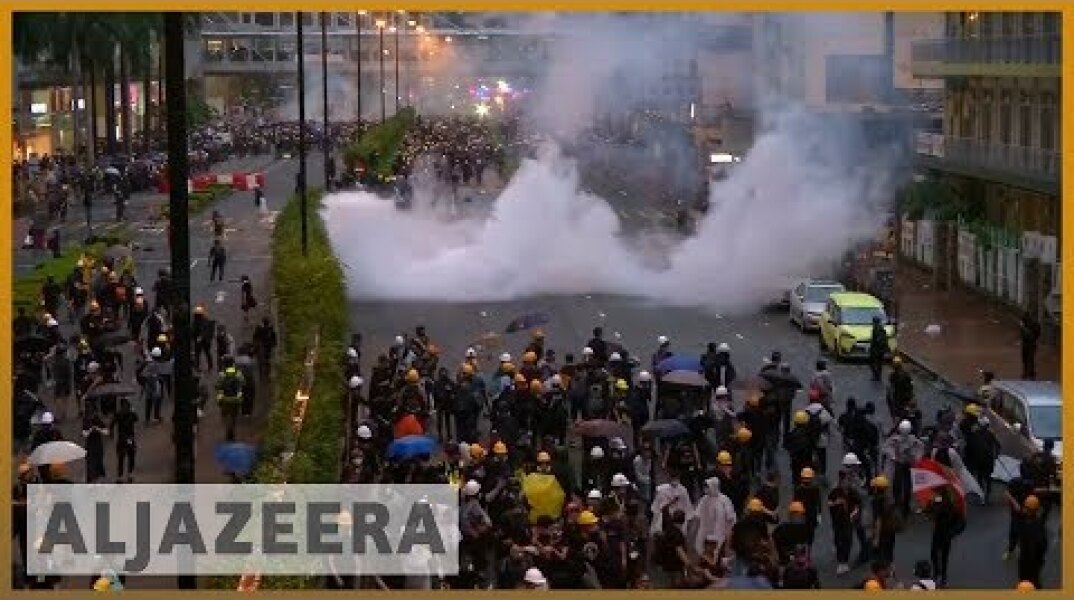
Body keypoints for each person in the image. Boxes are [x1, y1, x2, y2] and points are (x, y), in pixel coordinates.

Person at [928, 489, 964, 587]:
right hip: (940, 533)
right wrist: (930, 504)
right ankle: (939, 574)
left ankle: (941, 575)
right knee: (935, 554)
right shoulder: (939, 503)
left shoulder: (950, 507)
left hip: (945, 534)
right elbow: (931, 512)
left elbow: (960, 522)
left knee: (941, 555)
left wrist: (953, 532)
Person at [1016, 495, 1048, 589]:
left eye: (1025, 507)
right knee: (1033, 580)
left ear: (1030, 509)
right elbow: (1043, 544)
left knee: (1030, 582)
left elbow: (1037, 546)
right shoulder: (1034, 521)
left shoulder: (1033, 526)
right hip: (1032, 561)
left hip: (1029, 562)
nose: (1024, 509)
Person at [111, 397, 138, 483]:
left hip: (130, 438)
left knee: (131, 456)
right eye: (124, 406)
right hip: (122, 438)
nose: (126, 407)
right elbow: (112, 424)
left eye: (127, 405)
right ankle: (120, 475)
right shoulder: (118, 414)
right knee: (121, 457)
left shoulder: (131, 414)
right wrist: (111, 432)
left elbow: (137, 419)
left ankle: (129, 473)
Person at [216, 365, 245, 441]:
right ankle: (232, 428)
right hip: (235, 399)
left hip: (225, 399)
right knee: (234, 415)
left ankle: (228, 428)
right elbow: (243, 383)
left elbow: (217, 386)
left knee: (225, 415)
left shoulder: (221, 374)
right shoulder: (238, 373)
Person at [1019, 312, 1041, 379]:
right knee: (1027, 359)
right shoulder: (1034, 323)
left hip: (1029, 343)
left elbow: (1029, 335)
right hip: (1029, 343)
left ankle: (1029, 374)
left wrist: (1022, 327)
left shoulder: (1029, 324)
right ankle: (1029, 373)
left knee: (1028, 359)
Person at [867, 316, 889, 382]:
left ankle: (876, 376)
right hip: (880, 350)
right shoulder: (880, 329)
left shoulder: (877, 329)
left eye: (873, 322)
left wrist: (873, 347)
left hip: (876, 350)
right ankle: (878, 376)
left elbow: (878, 340)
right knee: (879, 363)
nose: (872, 323)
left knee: (872, 363)